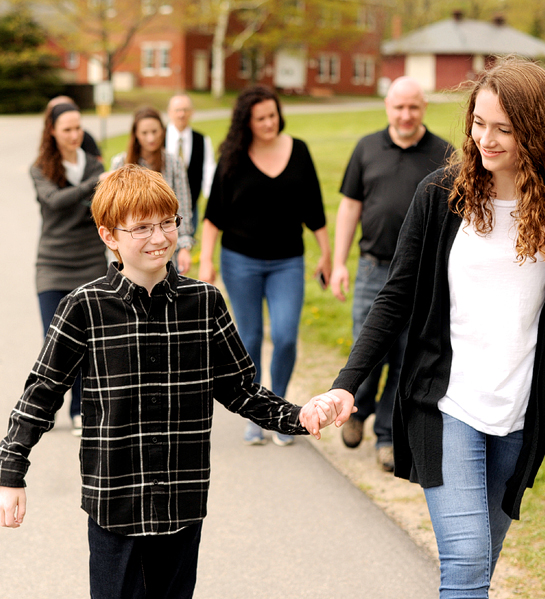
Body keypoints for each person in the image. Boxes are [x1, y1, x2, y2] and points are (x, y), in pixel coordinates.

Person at [313, 56, 545, 598]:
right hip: (446, 403)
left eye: (503, 129)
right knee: (466, 565)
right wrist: (346, 383)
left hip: (520, 409)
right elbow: (395, 297)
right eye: (478, 122)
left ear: (536, 131)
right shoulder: (441, 193)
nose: (484, 139)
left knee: (477, 570)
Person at [0, 164, 345, 599]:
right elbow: (40, 395)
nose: (159, 238)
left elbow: (240, 389)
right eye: (141, 227)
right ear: (109, 236)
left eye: (167, 223)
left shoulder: (206, 303)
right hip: (114, 507)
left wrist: (299, 415)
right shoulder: (83, 308)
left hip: (183, 502)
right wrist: (11, 475)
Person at [330, 77, 454, 471]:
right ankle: (356, 411)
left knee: (404, 359)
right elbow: (349, 208)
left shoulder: (444, 154)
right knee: (368, 348)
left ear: (424, 108)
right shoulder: (366, 148)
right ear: (387, 106)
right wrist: (338, 263)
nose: (405, 115)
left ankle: (386, 435)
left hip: (420, 276)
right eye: (398, 107)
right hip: (372, 268)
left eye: (413, 107)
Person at [199, 84, 331, 447]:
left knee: (286, 335)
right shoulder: (232, 157)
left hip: (288, 261)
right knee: (251, 338)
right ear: (247, 122)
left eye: (273, 115)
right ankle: (256, 415)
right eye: (261, 118)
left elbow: (316, 211)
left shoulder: (298, 150)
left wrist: (327, 255)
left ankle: (282, 410)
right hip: (240, 261)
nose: (269, 123)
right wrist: (206, 260)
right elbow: (213, 217)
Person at [31, 100, 108, 436]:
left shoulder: (93, 164)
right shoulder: (41, 169)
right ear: (53, 132)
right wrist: (91, 186)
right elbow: (55, 202)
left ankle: (80, 410)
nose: (75, 134)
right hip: (52, 264)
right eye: (67, 129)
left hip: (90, 262)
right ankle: (45, 407)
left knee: (88, 341)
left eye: (79, 128)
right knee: (56, 343)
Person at [110, 106, 194, 274]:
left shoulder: (173, 163)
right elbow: (114, 213)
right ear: (136, 135)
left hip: (164, 244)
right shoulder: (121, 163)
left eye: (155, 131)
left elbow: (183, 205)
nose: (151, 138)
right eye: (144, 133)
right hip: (133, 246)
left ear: (163, 131)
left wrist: (184, 246)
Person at [165, 93, 216, 232]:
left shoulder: (202, 140)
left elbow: (209, 171)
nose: (181, 114)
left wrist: (211, 200)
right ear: (169, 112)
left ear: (192, 112)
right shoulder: (159, 137)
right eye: (177, 110)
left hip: (190, 208)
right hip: (161, 208)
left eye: (185, 110)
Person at [47, 95, 102, 160]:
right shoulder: (44, 164)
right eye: (67, 130)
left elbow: (99, 160)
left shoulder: (86, 138)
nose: (74, 136)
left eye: (78, 128)